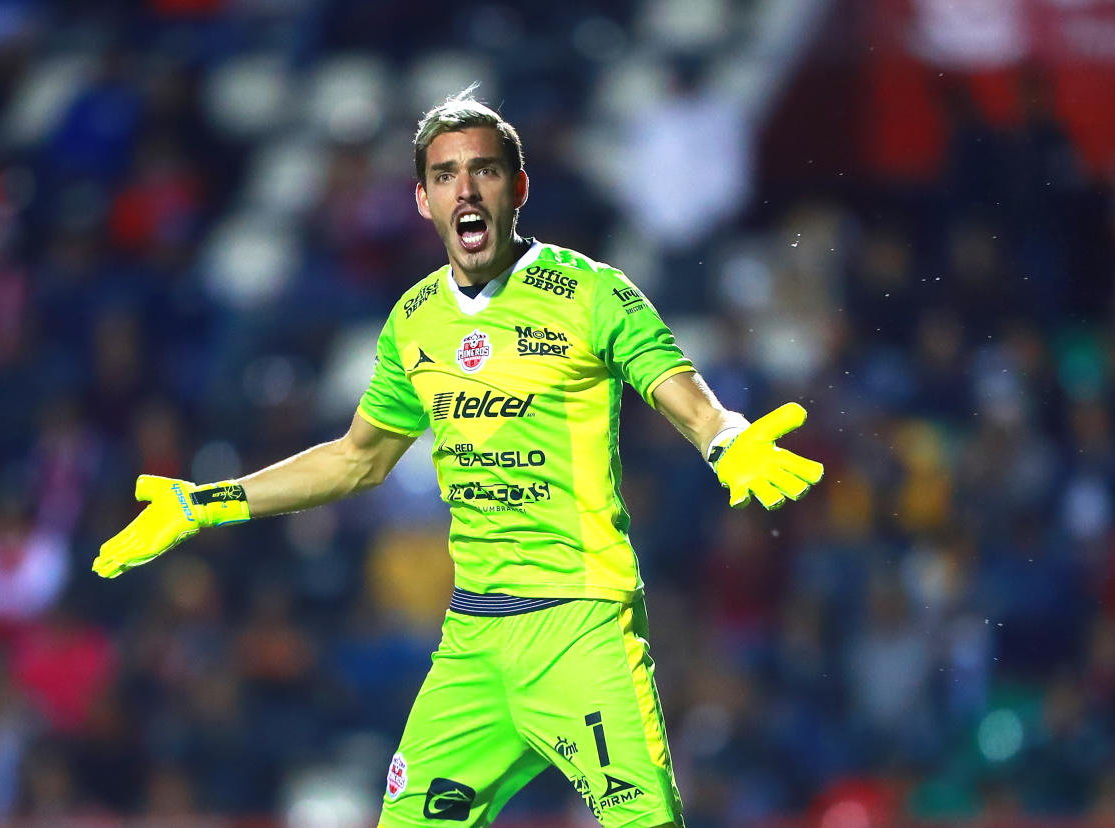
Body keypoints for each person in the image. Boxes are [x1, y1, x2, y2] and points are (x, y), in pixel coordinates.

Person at [92, 87, 824, 828]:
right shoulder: (414, 321)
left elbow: (683, 393)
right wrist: (205, 502)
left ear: (519, 188)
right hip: (473, 642)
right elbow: (357, 459)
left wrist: (727, 438)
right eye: (445, 175)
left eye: (485, 171)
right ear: (422, 199)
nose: (466, 189)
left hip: (577, 627)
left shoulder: (589, 293)